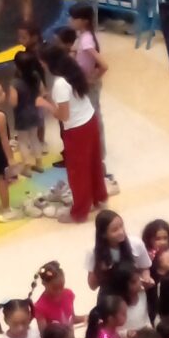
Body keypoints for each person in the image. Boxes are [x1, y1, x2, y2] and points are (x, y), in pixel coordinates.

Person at [44, 47, 106, 222]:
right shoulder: (73, 72)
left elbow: (64, 116)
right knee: (93, 163)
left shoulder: (59, 84)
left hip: (77, 130)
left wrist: (46, 104)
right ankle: (98, 198)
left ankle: (79, 212)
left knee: (78, 171)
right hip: (90, 120)